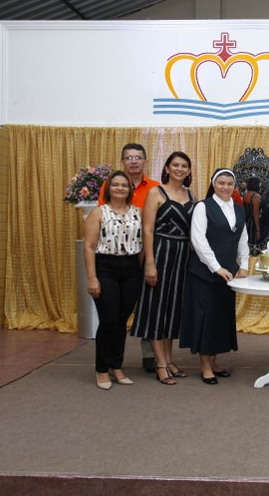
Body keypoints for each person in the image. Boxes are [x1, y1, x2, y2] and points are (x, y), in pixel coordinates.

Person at [180, 168, 249, 385]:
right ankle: (205, 367)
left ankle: (214, 362)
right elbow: (198, 240)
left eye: (229, 183)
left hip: (228, 275)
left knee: (219, 319)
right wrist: (215, 267)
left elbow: (242, 240)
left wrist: (244, 265)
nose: (225, 187)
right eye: (221, 183)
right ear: (213, 184)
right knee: (205, 320)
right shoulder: (203, 206)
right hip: (204, 274)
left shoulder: (239, 209)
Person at [131, 151, 195, 385]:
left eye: (184, 166)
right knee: (156, 309)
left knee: (172, 310)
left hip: (182, 256)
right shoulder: (155, 192)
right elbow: (147, 230)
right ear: (167, 168)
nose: (179, 169)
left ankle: (168, 360)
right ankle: (159, 364)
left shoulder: (191, 195)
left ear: (189, 171)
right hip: (160, 253)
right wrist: (149, 263)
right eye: (175, 165)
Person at [98, 143, 161, 374]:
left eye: (138, 157)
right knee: (115, 314)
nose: (133, 161)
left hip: (149, 253)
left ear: (145, 161)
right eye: (129, 157)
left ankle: (149, 354)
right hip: (117, 258)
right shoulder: (111, 185)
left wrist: (150, 260)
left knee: (150, 304)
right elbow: (102, 217)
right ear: (123, 161)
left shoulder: (155, 187)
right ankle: (110, 364)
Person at [84, 171, 143, 390]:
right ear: (108, 188)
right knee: (108, 320)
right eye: (115, 185)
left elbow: (142, 244)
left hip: (131, 269)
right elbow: (89, 246)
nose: (120, 188)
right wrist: (92, 278)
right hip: (105, 268)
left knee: (121, 321)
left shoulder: (138, 212)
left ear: (130, 189)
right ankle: (102, 369)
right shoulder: (99, 212)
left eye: (124, 185)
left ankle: (116, 366)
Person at [243, 177, 262, 245]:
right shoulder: (256, 196)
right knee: (253, 242)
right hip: (253, 223)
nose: (260, 185)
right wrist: (258, 229)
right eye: (259, 183)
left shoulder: (245, 194)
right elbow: (256, 214)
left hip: (246, 220)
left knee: (246, 241)